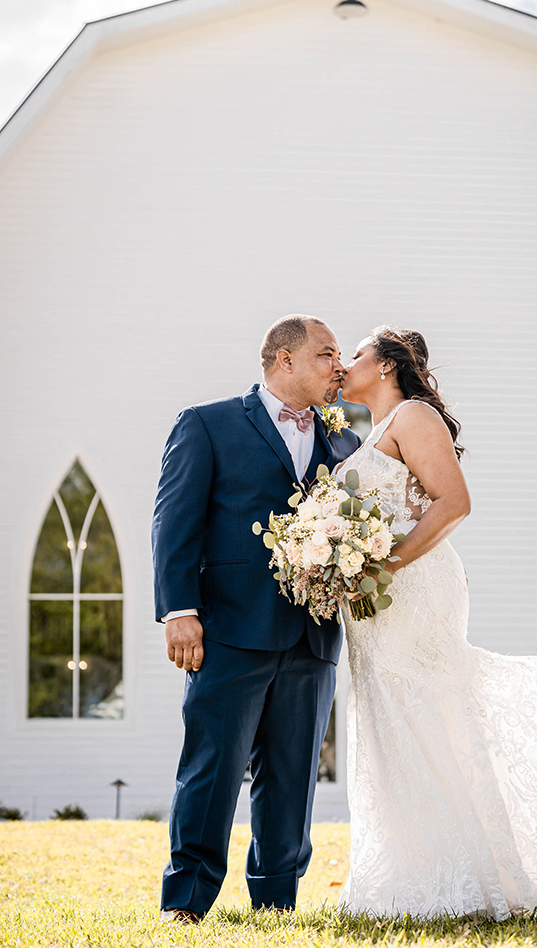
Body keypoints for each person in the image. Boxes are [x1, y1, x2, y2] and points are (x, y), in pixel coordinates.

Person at [336, 325, 537, 918]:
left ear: (385, 365)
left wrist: (381, 566)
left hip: (409, 589)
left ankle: (471, 878)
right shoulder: (373, 430)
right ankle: (413, 877)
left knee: (429, 713)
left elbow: (454, 503)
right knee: (393, 719)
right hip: (376, 603)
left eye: (354, 353)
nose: (344, 363)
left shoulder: (412, 416)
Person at [152, 314, 360, 922]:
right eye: (326, 354)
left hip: (312, 633)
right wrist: (179, 610)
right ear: (283, 359)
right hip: (229, 630)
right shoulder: (208, 425)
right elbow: (174, 521)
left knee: (292, 777)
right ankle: (186, 902)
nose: (338, 367)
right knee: (212, 768)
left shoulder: (345, 443)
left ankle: (276, 901)